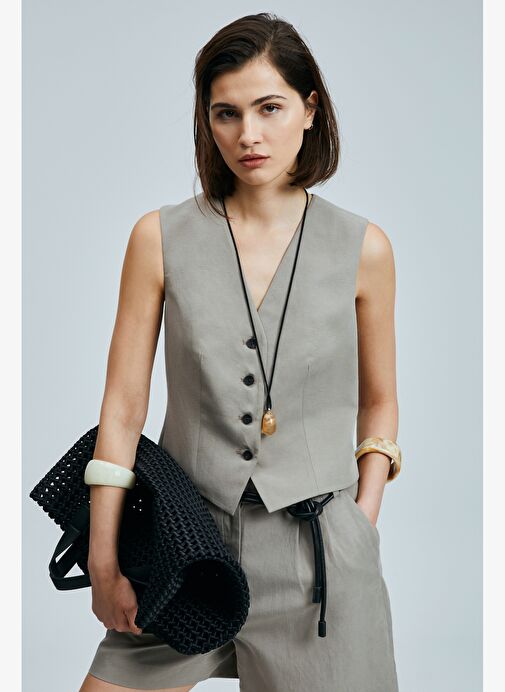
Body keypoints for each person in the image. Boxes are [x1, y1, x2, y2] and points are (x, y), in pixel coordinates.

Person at [79, 12, 400, 692]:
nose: (247, 134)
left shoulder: (363, 248)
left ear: (310, 110)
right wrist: (104, 559)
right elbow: (123, 405)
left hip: (318, 564)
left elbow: (379, 401)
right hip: (187, 547)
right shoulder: (158, 238)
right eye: (226, 113)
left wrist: (359, 523)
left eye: (269, 108)